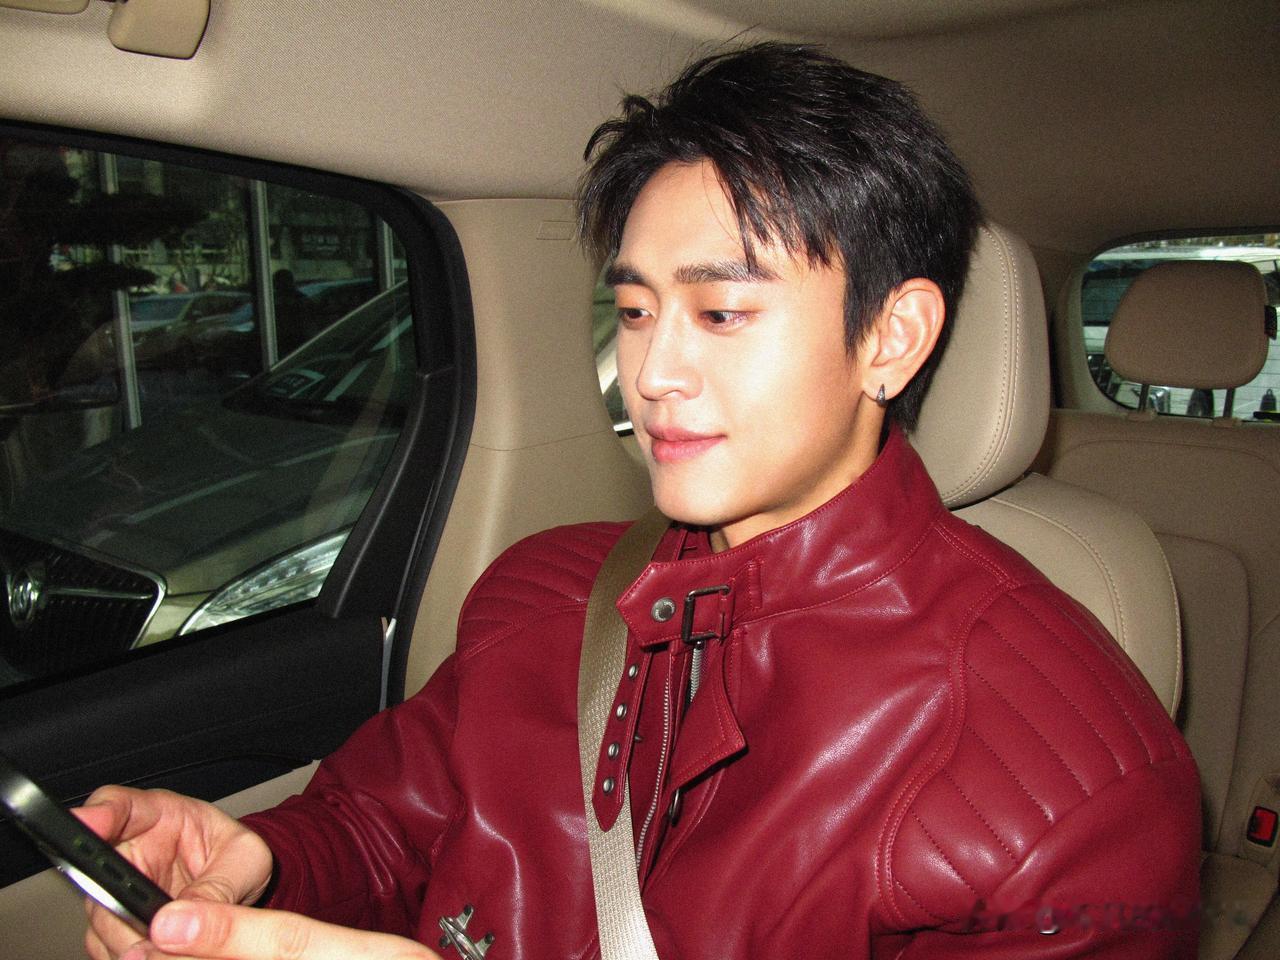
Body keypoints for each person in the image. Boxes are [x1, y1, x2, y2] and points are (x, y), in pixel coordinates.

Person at [76, 43, 1200, 960]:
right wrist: (262, 863)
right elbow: (384, 826)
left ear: (891, 338)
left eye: (720, 313)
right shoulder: (545, 591)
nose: (651, 372)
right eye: (632, 311)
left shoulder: (1067, 801)